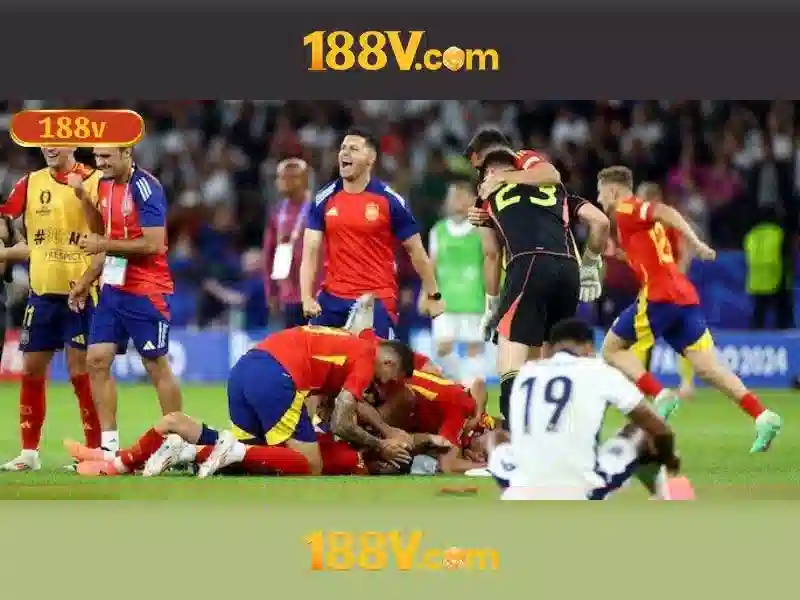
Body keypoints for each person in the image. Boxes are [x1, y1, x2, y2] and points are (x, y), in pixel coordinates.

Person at [67, 324, 416, 477]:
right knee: (309, 464)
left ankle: (123, 460)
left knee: (250, 457)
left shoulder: (353, 343)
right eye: (391, 378)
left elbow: (331, 406)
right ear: (389, 363)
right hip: (278, 376)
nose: (383, 385)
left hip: (247, 368)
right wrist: (381, 444)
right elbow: (340, 420)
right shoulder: (367, 359)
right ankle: (197, 451)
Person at [596, 166, 782, 453]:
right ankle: (762, 416)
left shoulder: (626, 208)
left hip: (659, 296)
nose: (598, 199)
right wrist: (621, 254)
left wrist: (696, 243)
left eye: (600, 192)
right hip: (682, 297)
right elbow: (649, 250)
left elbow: (665, 212)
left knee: (611, 348)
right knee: (708, 368)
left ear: (612, 190)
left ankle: (660, 395)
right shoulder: (629, 221)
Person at [475, 148, 610, 430]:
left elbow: (491, 253)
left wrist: (492, 304)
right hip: (569, 270)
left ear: (491, 173)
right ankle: (572, 427)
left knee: (510, 350)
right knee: (554, 355)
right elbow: (601, 222)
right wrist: (589, 265)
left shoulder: (488, 197)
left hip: (527, 264)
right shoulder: (558, 192)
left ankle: (516, 434)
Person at [492, 317, 690, 501]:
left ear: (550, 349)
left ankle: (525, 486)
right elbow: (658, 429)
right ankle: (665, 493)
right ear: (589, 347)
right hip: (579, 492)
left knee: (496, 437)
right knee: (641, 431)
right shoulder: (598, 369)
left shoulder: (526, 373)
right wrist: (670, 459)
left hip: (519, 489)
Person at [67, 147, 182, 454]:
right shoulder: (104, 184)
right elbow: (100, 232)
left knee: (154, 364)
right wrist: (83, 198)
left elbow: (153, 244)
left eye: (107, 157)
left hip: (146, 289)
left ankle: (177, 442)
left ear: (126, 152)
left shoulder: (146, 187)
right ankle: (109, 447)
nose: (100, 163)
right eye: (97, 157)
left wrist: (103, 244)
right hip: (114, 287)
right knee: (96, 360)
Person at [0, 148, 103, 472]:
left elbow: (105, 230)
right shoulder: (30, 182)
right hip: (42, 294)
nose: (49, 146)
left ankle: (94, 451)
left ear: (72, 141)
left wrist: (82, 194)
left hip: (81, 293)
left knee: (80, 372)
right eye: (44, 140)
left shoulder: (95, 180)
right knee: (31, 369)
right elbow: (5, 215)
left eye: (57, 139)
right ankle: (29, 453)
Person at [299, 127, 444, 340]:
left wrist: (433, 294)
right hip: (332, 300)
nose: (345, 153)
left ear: (371, 158)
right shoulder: (323, 199)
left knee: (374, 358)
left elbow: (416, 251)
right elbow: (310, 251)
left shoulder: (391, 201)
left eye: (354, 149)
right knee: (314, 353)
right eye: (343, 148)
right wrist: (306, 297)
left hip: (376, 300)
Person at [635, 182, 695, 401]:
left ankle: (686, 384)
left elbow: (684, 252)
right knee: (645, 337)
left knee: (678, 334)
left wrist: (676, 279)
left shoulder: (668, 221)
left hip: (668, 287)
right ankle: (644, 383)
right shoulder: (642, 224)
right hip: (651, 287)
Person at [428, 178, 488, 386]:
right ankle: (458, 383)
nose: (456, 200)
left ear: (473, 199)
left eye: (461, 195)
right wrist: (426, 295)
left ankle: (472, 391)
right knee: (442, 349)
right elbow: (431, 266)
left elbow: (491, 262)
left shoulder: (481, 230)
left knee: (474, 348)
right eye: (453, 196)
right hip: (444, 300)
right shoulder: (438, 230)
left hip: (474, 299)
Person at [263, 158, 317, 328]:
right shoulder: (277, 212)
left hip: (316, 295)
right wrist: (271, 292)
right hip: (288, 295)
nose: (279, 182)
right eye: (279, 177)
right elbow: (269, 254)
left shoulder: (319, 210)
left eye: (285, 177)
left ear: (301, 180)